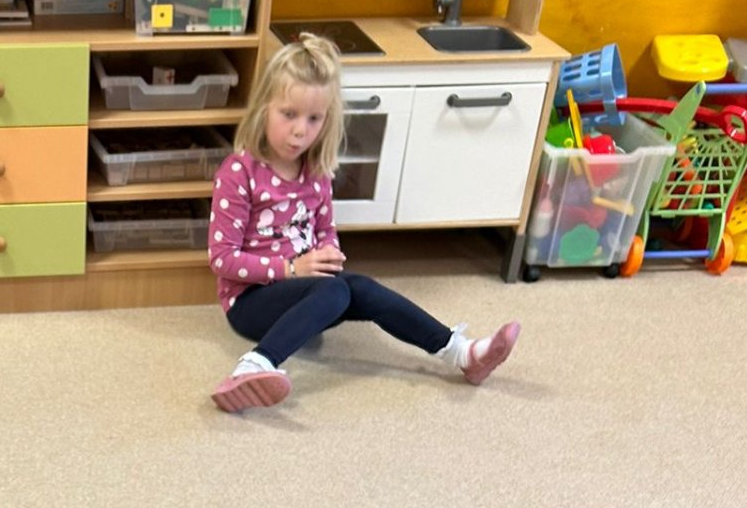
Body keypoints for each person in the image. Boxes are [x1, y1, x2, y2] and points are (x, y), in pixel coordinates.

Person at [206, 34, 522, 414]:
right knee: (336, 291)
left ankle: (462, 353)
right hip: (251, 303)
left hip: (309, 293)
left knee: (358, 288)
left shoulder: (316, 172)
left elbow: (325, 231)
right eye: (288, 114)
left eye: (314, 118)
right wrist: (291, 269)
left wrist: (329, 254)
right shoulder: (239, 172)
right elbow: (222, 259)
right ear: (263, 109)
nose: (300, 131)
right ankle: (255, 364)